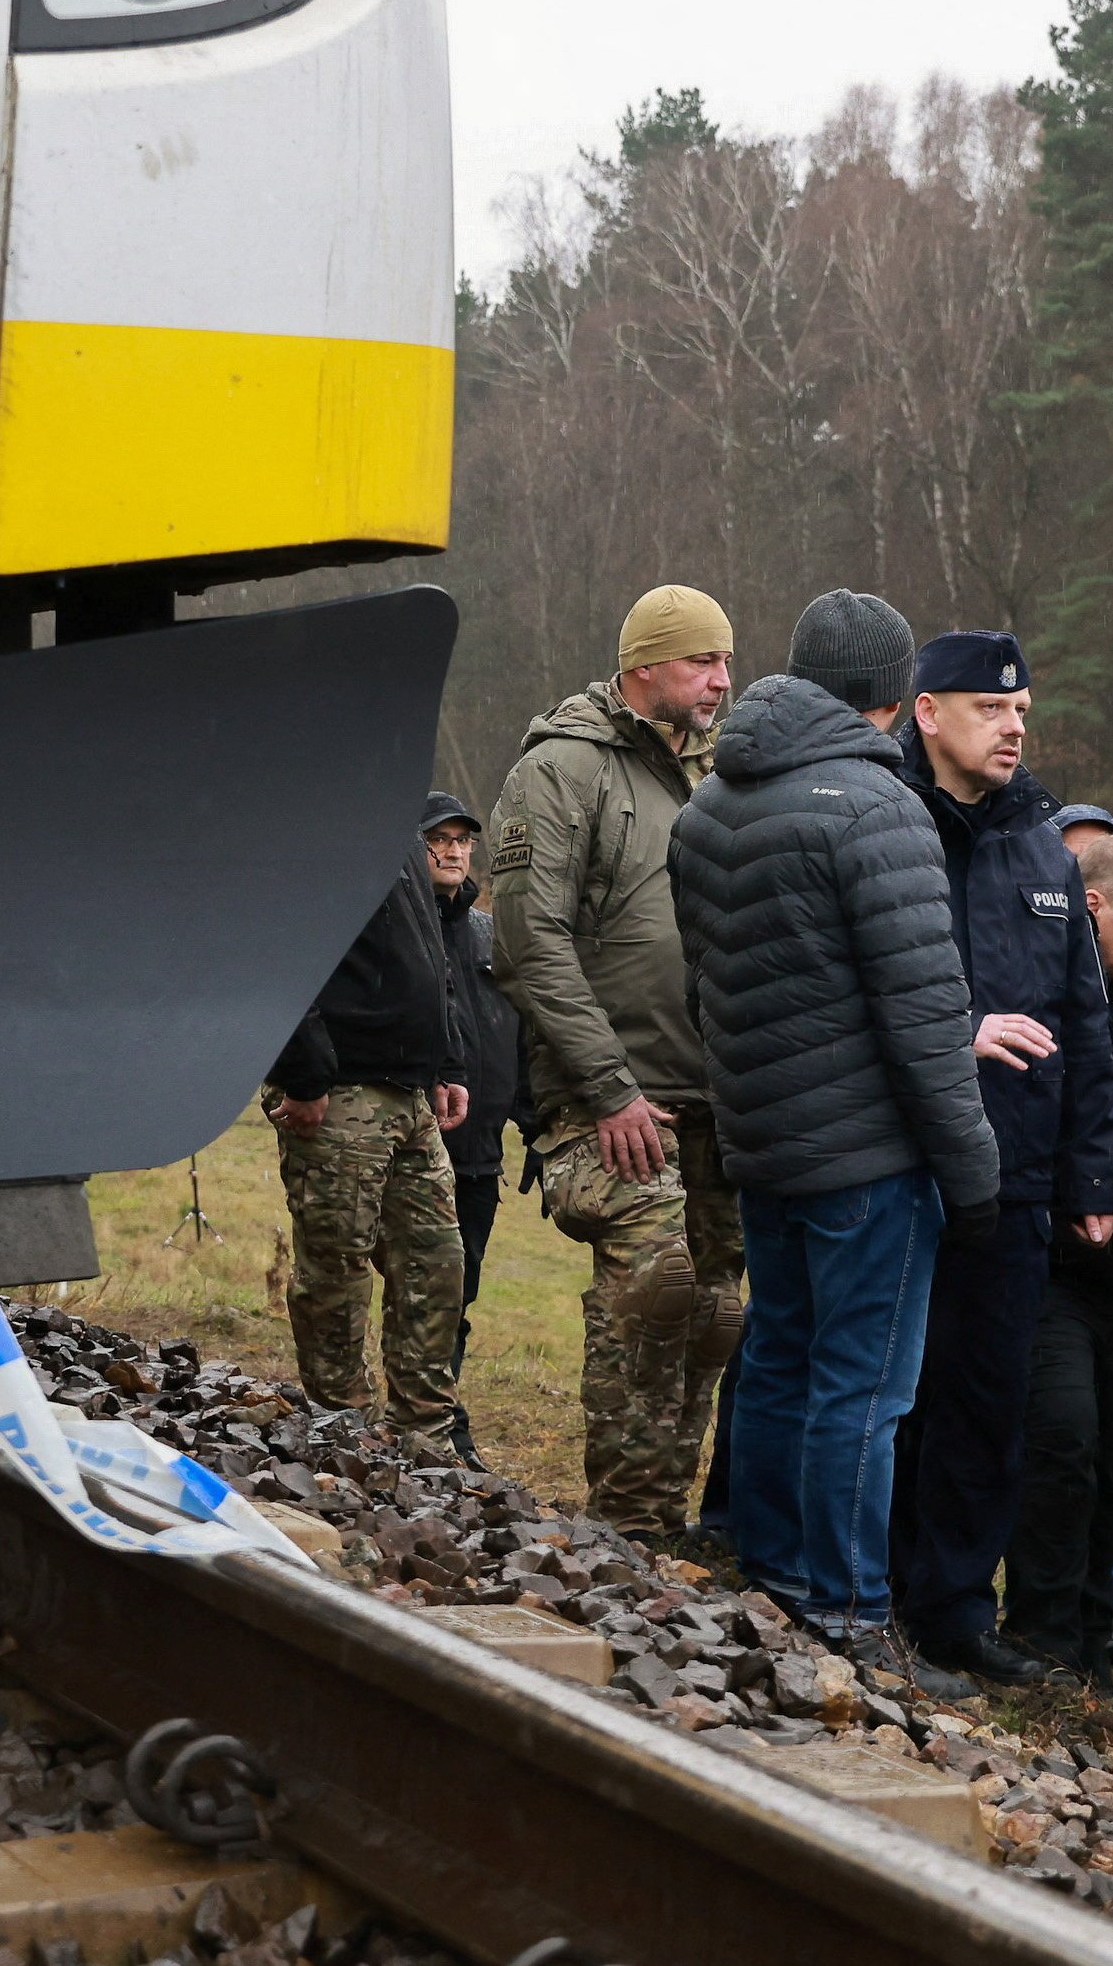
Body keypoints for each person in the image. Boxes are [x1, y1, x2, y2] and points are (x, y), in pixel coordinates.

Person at [670, 589, 1000, 1697]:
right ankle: (849, 1615)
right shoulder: (875, 809)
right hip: (867, 1155)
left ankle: (769, 1577)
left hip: (762, 1140)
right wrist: (975, 1169)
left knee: (777, 1363)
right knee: (861, 1390)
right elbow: (923, 1014)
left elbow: (704, 989)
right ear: (897, 700)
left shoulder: (711, 805)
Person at [875, 631, 1113, 1687]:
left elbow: (1084, 1017)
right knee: (896, 1393)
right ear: (927, 713)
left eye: (1021, 711)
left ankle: (953, 1612)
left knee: (987, 1401)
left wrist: (1092, 1171)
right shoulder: (886, 825)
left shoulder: (1041, 847)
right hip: (898, 1163)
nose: (1013, 726)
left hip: (1017, 1174)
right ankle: (864, 1593)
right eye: (989, 708)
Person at [488, 585, 746, 1536]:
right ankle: (630, 1528)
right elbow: (527, 942)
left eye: (725, 661)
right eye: (700, 663)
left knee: (717, 1313)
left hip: (717, 1098)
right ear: (643, 667)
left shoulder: (724, 776)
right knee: (652, 1295)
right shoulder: (561, 771)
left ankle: (667, 1525)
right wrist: (607, 1088)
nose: (721, 681)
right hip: (613, 1101)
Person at [993, 833, 1113, 1687]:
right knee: (1062, 1442)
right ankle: (1037, 1632)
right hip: (1053, 1274)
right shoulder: (1035, 1001)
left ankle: (1090, 1629)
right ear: (1094, 909)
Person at [265, 816, 471, 1453]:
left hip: (409, 1093)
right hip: (340, 1089)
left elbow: (427, 956)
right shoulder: (315, 821)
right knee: (337, 1266)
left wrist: (445, 1061)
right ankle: (342, 1431)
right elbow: (279, 949)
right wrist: (303, 1073)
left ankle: (424, 1436)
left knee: (436, 1264)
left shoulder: (394, 824)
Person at [427, 791, 532, 1406]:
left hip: (478, 1154)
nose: (453, 850)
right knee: (416, 1293)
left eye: (463, 840)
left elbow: (519, 1037)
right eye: (438, 839)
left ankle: (438, 1416)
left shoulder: (491, 937)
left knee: (458, 1292)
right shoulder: (397, 930)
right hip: (407, 1146)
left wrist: (539, 1122)